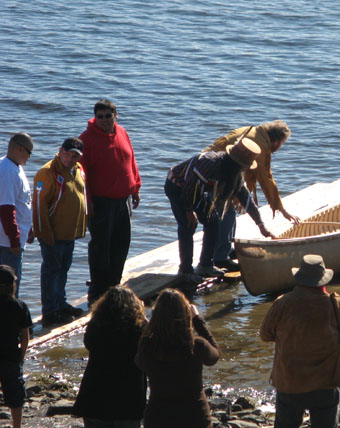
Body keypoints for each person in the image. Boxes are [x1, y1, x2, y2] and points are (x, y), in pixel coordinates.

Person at [260, 254, 340, 428]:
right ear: (323, 280)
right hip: (325, 383)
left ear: (299, 279)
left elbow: (265, 335)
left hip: (290, 382)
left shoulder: (283, 303)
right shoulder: (335, 303)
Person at [165, 138, 272, 282]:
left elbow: (246, 199)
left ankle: (205, 265)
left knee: (213, 223)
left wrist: (261, 225)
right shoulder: (209, 163)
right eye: (242, 166)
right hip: (178, 186)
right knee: (187, 226)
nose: (243, 169)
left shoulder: (234, 174)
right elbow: (190, 187)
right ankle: (185, 271)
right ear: (235, 163)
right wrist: (189, 211)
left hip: (198, 191)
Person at [135, 289, 220, 428]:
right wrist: (197, 320)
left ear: (156, 316)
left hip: (158, 422)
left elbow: (139, 363)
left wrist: (149, 326)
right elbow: (215, 355)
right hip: (194, 421)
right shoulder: (196, 345)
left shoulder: (148, 345)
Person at [203, 120, 300, 270]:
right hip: (213, 174)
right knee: (226, 213)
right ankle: (220, 258)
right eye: (282, 143)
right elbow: (265, 178)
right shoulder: (259, 146)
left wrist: (263, 222)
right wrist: (281, 209)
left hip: (223, 168)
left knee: (230, 212)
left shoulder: (257, 133)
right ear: (276, 142)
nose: (280, 147)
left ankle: (226, 248)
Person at [73, 286, 148, 428]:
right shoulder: (140, 329)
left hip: (96, 397)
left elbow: (88, 343)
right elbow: (150, 349)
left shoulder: (97, 325)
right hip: (129, 399)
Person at [79, 99, 141, 304]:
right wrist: (88, 205)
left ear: (116, 115)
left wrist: (136, 188)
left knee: (122, 244)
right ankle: (97, 291)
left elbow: (131, 160)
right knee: (100, 248)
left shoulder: (122, 132)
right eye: (100, 116)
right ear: (95, 117)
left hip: (123, 200)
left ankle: (114, 286)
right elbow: (82, 177)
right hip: (101, 202)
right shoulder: (86, 139)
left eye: (108, 116)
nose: (104, 120)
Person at [33, 137, 87, 324]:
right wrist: (43, 232)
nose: (71, 159)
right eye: (68, 154)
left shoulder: (78, 170)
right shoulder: (48, 172)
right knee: (51, 270)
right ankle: (49, 311)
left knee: (63, 268)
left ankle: (60, 303)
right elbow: (39, 206)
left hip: (69, 233)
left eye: (75, 156)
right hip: (53, 234)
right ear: (60, 151)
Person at [0, 265, 32, 428]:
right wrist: (22, 355)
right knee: (15, 398)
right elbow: (25, 336)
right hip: (11, 357)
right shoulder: (19, 306)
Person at [0, 133, 35, 294]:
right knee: (10, 286)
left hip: (14, 239)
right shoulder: (7, 171)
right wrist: (14, 240)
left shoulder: (15, 167)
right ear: (20, 149)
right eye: (29, 152)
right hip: (7, 243)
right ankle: (9, 317)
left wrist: (28, 230)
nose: (30, 157)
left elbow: (23, 204)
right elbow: (6, 209)